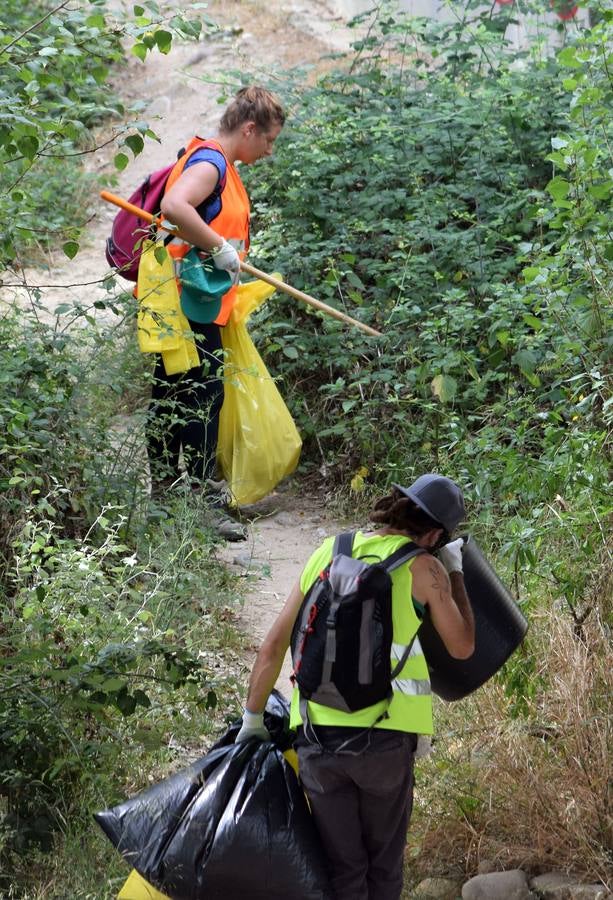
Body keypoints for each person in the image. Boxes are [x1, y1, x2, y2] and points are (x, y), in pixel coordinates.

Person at [235, 473, 476, 900]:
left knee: (344, 868)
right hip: (384, 745)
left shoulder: (330, 550)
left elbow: (272, 646)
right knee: (383, 867)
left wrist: (253, 719)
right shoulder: (426, 568)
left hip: (316, 738)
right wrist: (455, 573)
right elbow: (463, 647)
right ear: (436, 534)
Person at [146, 85, 286, 539]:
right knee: (200, 398)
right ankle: (195, 504)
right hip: (187, 304)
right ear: (249, 129)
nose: (269, 149)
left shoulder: (222, 164)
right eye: (268, 139)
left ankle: (168, 499)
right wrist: (219, 246)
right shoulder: (211, 164)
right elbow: (174, 206)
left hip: (194, 300)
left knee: (178, 393)